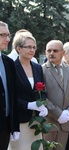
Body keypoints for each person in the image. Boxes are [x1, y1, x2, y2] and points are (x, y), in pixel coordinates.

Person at [9, 32, 48, 150]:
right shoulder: (11, 67)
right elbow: (9, 96)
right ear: (18, 49)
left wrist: (43, 104)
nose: (32, 50)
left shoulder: (37, 67)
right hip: (19, 121)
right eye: (28, 47)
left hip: (35, 121)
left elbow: (43, 89)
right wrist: (28, 105)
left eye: (34, 47)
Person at [42, 40, 69, 150]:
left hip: (66, 123)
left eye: (55, 50)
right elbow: (41, 96)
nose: (51, 53)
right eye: (49, 51)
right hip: (49, 122)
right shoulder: (41, 70)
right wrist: (58, 114)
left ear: (63, 53)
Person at [0, 21, 19, 150]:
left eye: (8, 35)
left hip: (4, 127)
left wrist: (14, 126)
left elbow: (12, 95)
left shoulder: (8, 62)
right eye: (2, 35)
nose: (7, 39)